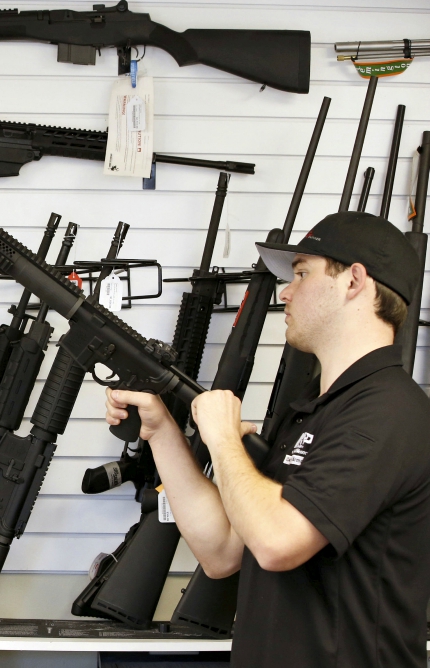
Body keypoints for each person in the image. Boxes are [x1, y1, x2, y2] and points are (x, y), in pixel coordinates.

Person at [105, 211, 430, 667]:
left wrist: (222, 440)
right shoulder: (312, 410)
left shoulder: (387, 412)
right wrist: (161, 432)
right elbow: (222, 551)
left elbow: (278, 542)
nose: (286, 291)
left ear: (354, 281)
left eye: (301, 274)